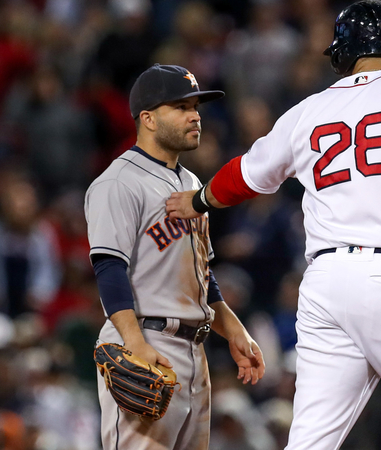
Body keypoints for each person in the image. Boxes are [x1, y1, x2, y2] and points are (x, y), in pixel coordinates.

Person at [166, 2, 381, 448]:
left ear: (343, 51)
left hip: (326, 285)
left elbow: (246, 175)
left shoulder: (309, 110)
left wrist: (197, 200)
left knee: (309, 443)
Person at [85, 64, 265, 450]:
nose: (195, 115)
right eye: (181, 107)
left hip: (194, 350)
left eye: (195, 106)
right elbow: (108, 266)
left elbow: (202, 272)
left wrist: (233, 329)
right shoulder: (119, 182)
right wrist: (134, 341)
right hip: (147, 340)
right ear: (147, 118)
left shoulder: (191, 184)